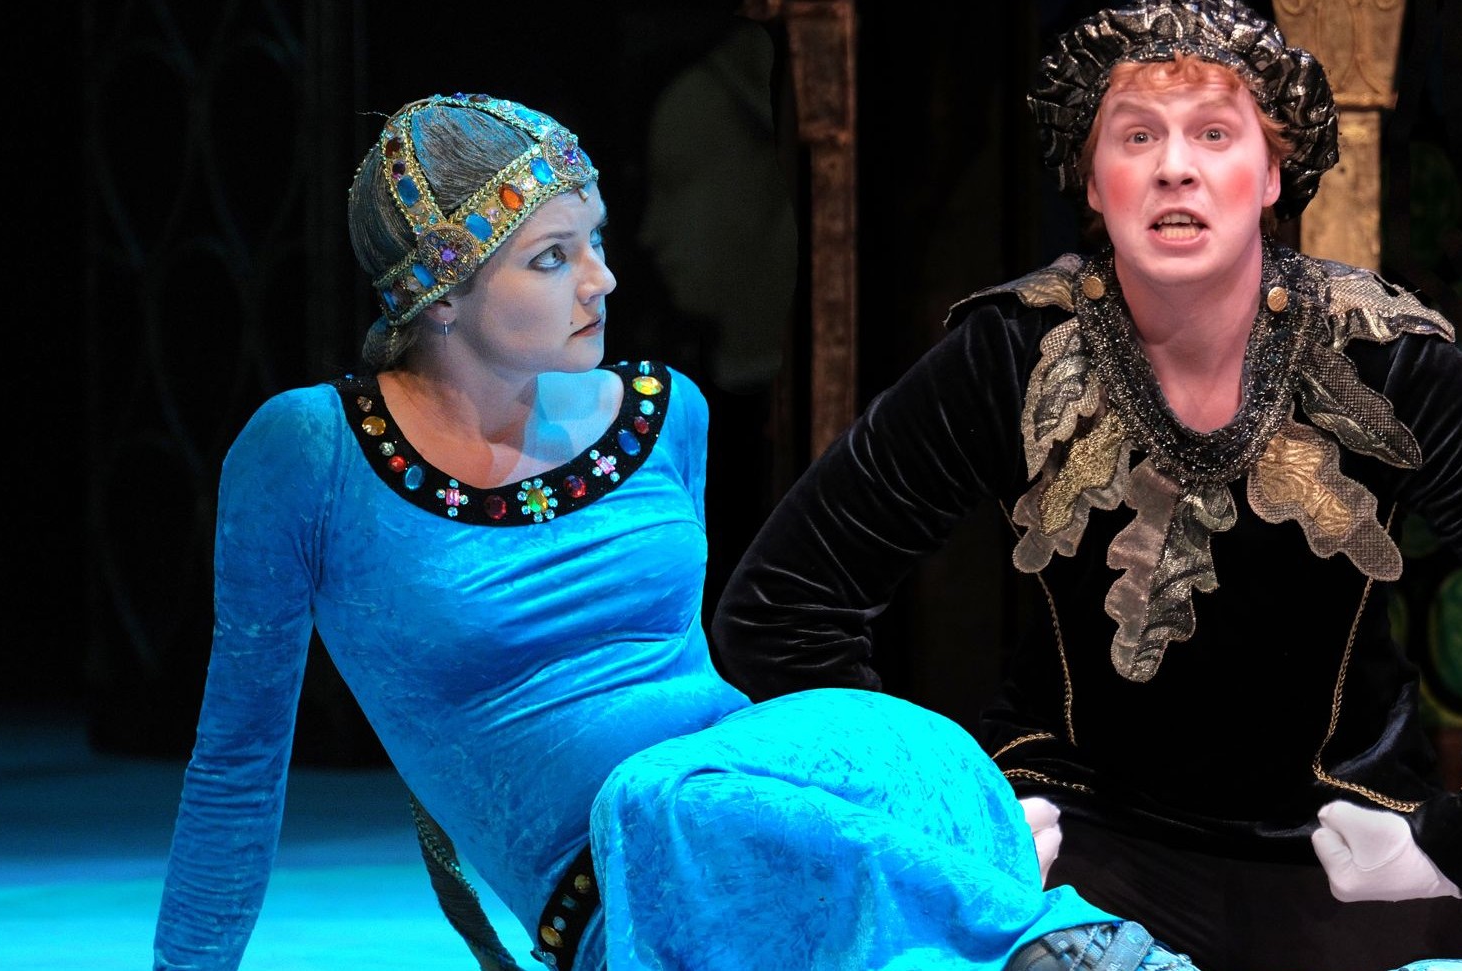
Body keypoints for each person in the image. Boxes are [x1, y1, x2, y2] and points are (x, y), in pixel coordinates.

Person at [150, 91, 1202, 971]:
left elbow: (691, 678)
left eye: (596, 240)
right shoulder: (311, 452)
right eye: (551, 257)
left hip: (777, 794)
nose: (601, 279)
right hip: (633, 877)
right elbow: (239, 763)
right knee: (652, 795)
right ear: (438, 295)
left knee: (798, 752)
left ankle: (1003, 920)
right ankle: (1028, 937)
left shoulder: (661, 411)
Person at [711, 3, 1462, 970]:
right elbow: (781, 606)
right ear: (1092, 180)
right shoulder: (1010, 355)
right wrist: (941, 811)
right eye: (1137, 137)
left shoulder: (1382, 360)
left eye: (1214, 134)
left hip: (1340, 856)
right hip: (1077, 851)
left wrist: (1457, 843)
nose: (1175, 167)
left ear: (1273, 173)